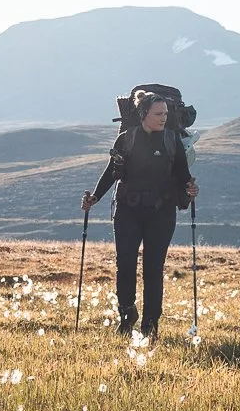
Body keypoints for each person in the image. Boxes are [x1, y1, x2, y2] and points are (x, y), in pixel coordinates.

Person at [83, 92, 197, 342]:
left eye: (166, 114)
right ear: (144, 114)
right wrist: (95, 197)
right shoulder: (128, 139)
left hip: (161, 211)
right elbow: (111, 172)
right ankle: (127, 315)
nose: (163, 119)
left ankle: (150, 325)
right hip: (127, 209)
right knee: (125, 264)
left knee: (153, 269)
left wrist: (190, 188)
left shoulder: (171, 140)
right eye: (158, 114)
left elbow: (182, 173)